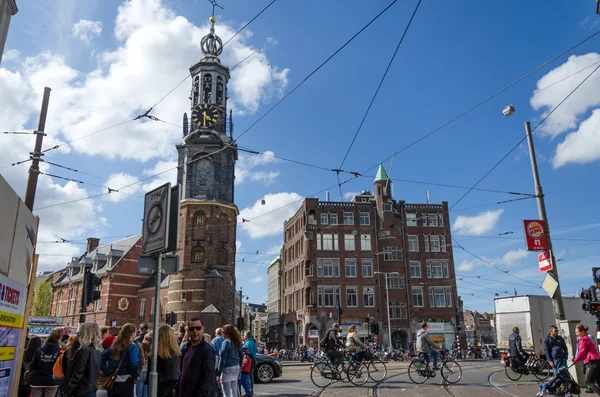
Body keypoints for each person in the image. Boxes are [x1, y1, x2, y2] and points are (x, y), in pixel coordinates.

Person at [57, 322, 102, 397]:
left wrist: (66, 393)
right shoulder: (97, 351)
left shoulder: (85, 350)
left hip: (81, 391)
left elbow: (77, 375)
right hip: (90, 389)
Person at [179, 317, 217, 397]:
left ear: (202, 329)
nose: (195, 331)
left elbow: (209, 378)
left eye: (198, 328)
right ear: (188, 331)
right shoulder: (185, 348)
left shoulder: (207, 350)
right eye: (192, 329)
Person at [101, 323, 139, 397]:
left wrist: (107, 371)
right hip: (126, 381)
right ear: (132, 333)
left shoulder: (114, 346)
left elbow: (101, 358)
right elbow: (134, 362)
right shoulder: (132, 347)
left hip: (113, 381)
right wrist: (135, 376)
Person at [30, 328, 62, 396]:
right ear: (58, 340)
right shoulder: (60, 351)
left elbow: (32, 366)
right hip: (52, 381)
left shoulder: (39, 350)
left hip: (37, 380)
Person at [573, 323, 600, 395]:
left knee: (589, 381)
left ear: (582, 332)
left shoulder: (584, 339)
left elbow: (582, 352)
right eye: (576, 332)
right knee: (598, 380)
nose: (576, 334)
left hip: (592, 362)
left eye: (577, 332)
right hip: (596, 361)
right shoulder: (586, 338)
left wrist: (575, 360)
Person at [218, 325, 242, 397]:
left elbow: (222, 358)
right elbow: (241, 355)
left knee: (226, 393)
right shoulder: (237, 342)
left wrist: (219, 372)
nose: (222, 334)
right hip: (236, 367)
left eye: (223, 332)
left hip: (228, 368)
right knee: (234, 391)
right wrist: (239, 365)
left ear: (228, 333)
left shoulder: (226, 343)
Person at [136, 332, 152, 397]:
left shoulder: (140, 347)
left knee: (138, 394)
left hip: (141, 371)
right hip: (149, 373)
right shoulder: (153, 349)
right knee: (146, 394)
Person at [243, 330, 258, 394]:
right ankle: (251, 390)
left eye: (244, 335)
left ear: (246, 336)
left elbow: (246, 353)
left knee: (248, 376)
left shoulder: (247, 343)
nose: (243, 336)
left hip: (249, 361)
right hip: (254, 360)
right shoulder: (254, 342)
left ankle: (249, 391)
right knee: (251, 376)